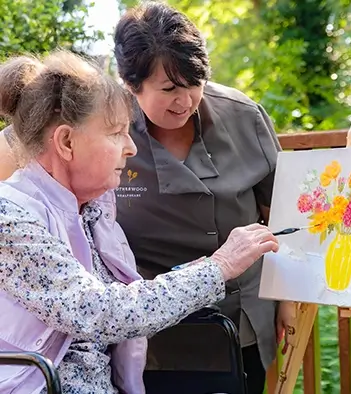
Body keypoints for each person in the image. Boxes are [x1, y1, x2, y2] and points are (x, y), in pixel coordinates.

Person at [0, 51, 279, 394]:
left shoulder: (92, 212)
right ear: (66, 142)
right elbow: (100, 311)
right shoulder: (10, 217)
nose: (131, 147)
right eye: (117, 132)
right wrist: (219, 266)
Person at [113, 2, 290, 393]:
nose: (185, 100)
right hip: (149, 327)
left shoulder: (244, 116)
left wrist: (288, 297)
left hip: (240, 317)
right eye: (169, 89)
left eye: (195, 83)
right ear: (130, 83)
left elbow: (282, 212)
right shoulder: (107, 125)